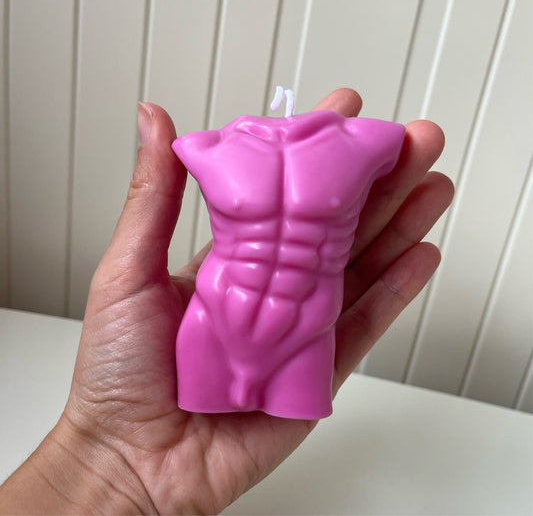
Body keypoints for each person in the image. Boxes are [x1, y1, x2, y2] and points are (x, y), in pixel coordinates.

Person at [0, 88, 453, 514]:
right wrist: (107, 458)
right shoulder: (206, 147)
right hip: (213, 325)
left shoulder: (364, 141)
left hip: (310, 333)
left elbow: (402, 142)